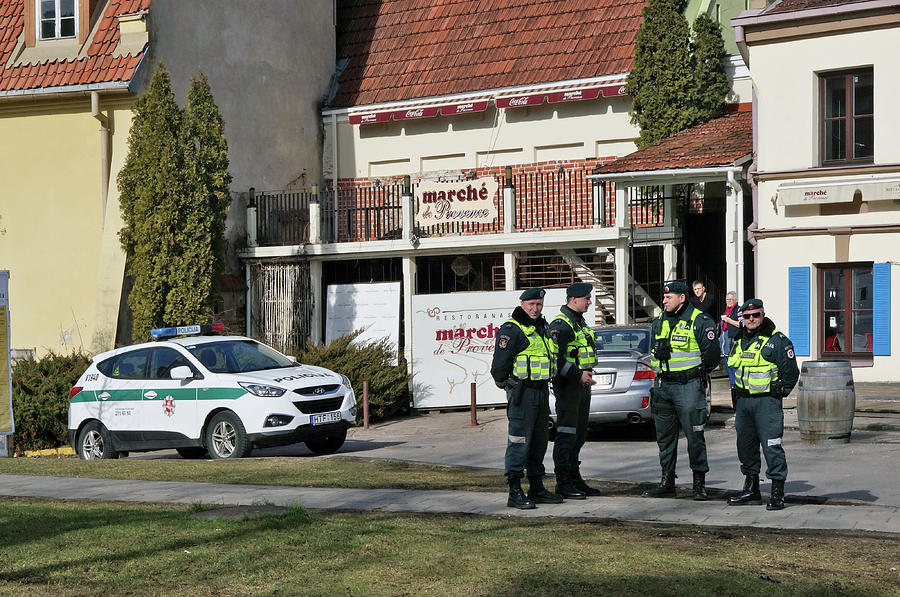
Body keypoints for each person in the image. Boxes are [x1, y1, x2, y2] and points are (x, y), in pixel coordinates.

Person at [642, 280, 720, 500]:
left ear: (682, 298)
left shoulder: (700, 321)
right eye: (664, 297)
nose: (664, 300)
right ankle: (667, 482)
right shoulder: (659, 322)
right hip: (663, 387)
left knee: (695, 436)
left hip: (689, 386)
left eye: (669, 297)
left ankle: (699, 484)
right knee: (665, 438)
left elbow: (712, 357)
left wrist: (695, 375)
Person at [491, 287, 561, 509]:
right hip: (522, 394)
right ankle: (514, 490)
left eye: (539, 304)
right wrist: (509, 387)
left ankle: (537, 487)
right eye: (531, 304)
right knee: (519, 441)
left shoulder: (542, 327)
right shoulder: (512, 330)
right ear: (522, 304)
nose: (535, 308)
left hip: (541, 391)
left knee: (539, 441)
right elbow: (499, 367)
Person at [726, 298, 799, 511]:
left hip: (767, 403)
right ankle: (751, 490)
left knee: (772, 447)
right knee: (746, 447)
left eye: (755, 315)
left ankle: (777, 493)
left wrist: (778, 394)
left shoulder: (777, 341)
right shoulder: (739, 339)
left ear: (762, 314)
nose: (751, 319)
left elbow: (791, 373)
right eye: (746, 316)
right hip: (743, 402)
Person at [550, 282, 598, 499]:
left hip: (581, 387)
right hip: (568, 387)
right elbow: (557, 360)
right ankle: (563, 483)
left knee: (578, 435)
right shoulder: (561, 325)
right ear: (574, 299)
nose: (590, 302)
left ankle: (574, 478)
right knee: (567, 435)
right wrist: (578, 374)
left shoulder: (578, 322)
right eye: (587, 298)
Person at [720, 291, 742, 387]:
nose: (728, 301)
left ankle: (736, 384)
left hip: (733, 342)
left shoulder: (739, 310)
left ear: (735, 300)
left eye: (730, 299)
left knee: (734, 364)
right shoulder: (725, 311)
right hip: (725, 344)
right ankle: (732, 384)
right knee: (728, 364)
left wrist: (729, 320)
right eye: (727, 299)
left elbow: (741, 324)